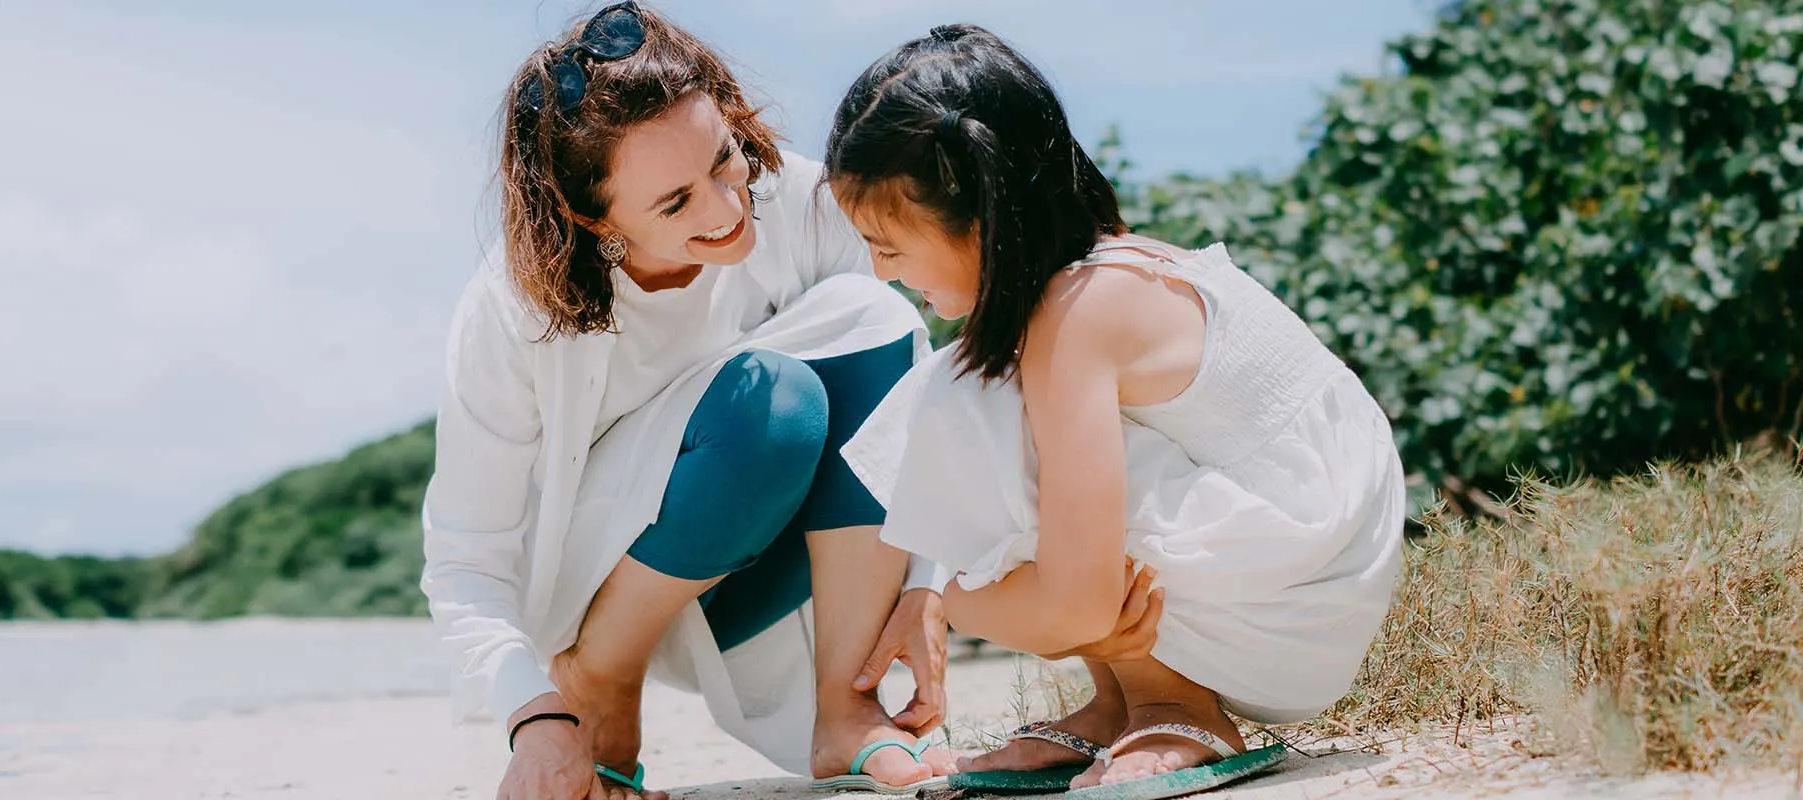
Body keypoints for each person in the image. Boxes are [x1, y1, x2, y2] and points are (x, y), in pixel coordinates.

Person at [826, 24, 1410, 790]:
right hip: (1300, 560)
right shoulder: (1083, 285)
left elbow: (1074, 607)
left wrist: (958, 603)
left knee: (973, 407)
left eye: (887, 241)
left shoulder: (1081, 311)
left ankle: (1178, 701)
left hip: (1301, 584)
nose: (879, 268)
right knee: (973, 393)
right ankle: (1118, 701)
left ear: (984, 216)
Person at [419, 4, 960, 798]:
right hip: (597, 592)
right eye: (674, 204)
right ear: (590, 216)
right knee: (770, 405)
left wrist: (928, 583)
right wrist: (535, 716)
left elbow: (928, 393)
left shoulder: (800, 202)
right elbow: (465, 561)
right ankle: (602, 678)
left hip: (763, 584)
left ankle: (846, 710)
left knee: (877, 314)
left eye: (724, 158)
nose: (726, 208)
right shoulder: (513, 312)